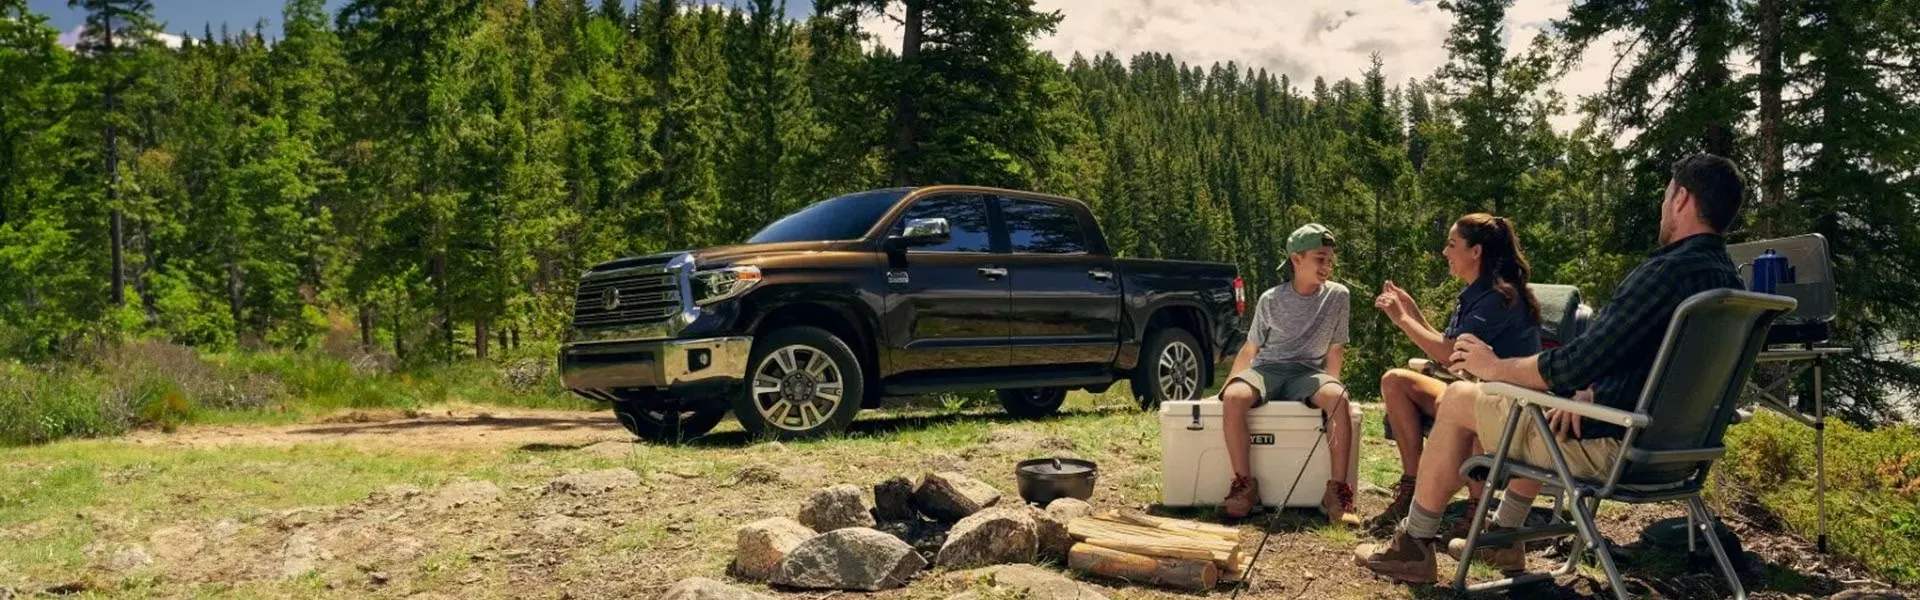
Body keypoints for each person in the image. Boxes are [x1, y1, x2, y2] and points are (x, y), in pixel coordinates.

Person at [1354, 153, 1750, 582]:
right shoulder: (1727, 282)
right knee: (1541, 405)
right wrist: (1597, 393)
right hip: (1676, 453)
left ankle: (1414, 544)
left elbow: (1570, 364)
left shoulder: (1664, 273)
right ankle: (1505, 537)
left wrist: (1495, 365)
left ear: (1682, 199)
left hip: (1613, 449)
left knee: (1458, 397)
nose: (1662, 205)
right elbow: (1669, 366)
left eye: (1666, 195)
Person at [1368, 214, 1543, 536]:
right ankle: (1412, 485)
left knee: (1471, 404)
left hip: (1507, 406)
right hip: (1471, 391)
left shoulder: (1499, 298)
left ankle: (1477, 510)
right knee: (1395, 380)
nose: (1445, 252)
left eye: (1451, 244)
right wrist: (1412, 310)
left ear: (1475, 252)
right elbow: (1451, 348)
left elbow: (1449, 355)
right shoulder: (1476, 293)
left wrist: (1402, 320)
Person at [1219, 223, 1359, 526]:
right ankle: (1244, 486)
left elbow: (1335, 349)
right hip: (1268, 369)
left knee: (1338, 398)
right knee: (1233, 397)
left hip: (1308, 372)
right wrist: (1230, 384)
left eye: (1330, 259)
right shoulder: (1272, 299)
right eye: (1320, 258)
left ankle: (1336, 493)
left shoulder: (1338, 296)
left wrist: (1334, 391)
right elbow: (1251, 348)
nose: (1327, 266)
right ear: (1297, 259)